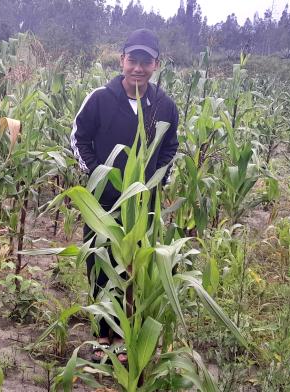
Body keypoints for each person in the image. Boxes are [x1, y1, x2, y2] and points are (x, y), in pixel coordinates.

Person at [70, 28, 179, 363]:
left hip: (144, 203)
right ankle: (103, 334)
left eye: (146, 62)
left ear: (156, 65)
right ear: (122, 61)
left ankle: (124, 333)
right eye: (133, 60)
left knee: (133, 266)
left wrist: (156, 181)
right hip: (103, 201)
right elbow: (78, 138)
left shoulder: (164, 106)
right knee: (101, 264)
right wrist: (98, 173)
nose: (138, 68)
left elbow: (170, 147)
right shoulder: (101, 98)